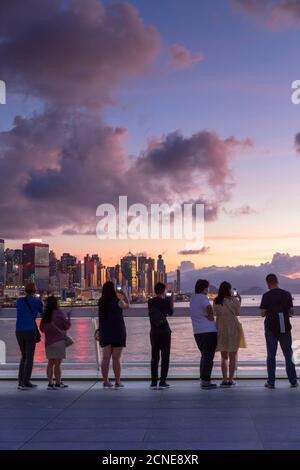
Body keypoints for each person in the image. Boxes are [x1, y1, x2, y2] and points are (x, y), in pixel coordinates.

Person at [260, 273, 298, 389]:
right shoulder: (286, 294)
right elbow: (291, 311)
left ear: (267, 283)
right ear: (277, 281)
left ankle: (271, 382)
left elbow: (262, 313)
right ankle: (293, 381)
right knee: (288, 354)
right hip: (284, 327)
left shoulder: (266, 295)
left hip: (271, 327)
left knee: (271, 355)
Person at [213, 282, 246, 387]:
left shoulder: (216, 301)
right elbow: (237, 313)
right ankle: (231, 380)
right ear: (229, 290)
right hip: (233, 329)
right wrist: (239, 300)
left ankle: (224, 379)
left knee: (224, 357)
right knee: (232, 355)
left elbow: (215, 313)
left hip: (221, 329)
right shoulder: (234, 300)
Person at [98, 281, 129, 388]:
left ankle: (105, 381)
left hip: (105, 332)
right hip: (117, 332)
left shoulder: (101, 302)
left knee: (105, 358)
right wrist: (124, 294)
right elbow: (127, 306)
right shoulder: (117, 301)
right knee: (116, 358)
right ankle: (117, 381)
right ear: (113, 290)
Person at [189, 279, 217, 389]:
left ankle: (203, 379)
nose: (208, 289)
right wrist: (211, 317)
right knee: (209, 357)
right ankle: (206, 381)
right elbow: (209, 308)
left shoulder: (193, 298)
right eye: (207, 287)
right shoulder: (203, 297)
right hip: (208, 331)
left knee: (204, 356)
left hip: (197, 332)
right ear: (204, 288)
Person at [16, 282, 43, 390]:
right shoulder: (37, 301)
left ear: (25, 291)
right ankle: (26, 381)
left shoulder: (19, 301)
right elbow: (43, 313)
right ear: (35, 291)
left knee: (23, 356)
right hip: (30, 330)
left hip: (18, 330)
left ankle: (20, 380)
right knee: (30, 357)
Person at [40, 295, 71, 390]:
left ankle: (50, 383)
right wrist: (69, 317)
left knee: (50, 362)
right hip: (59, 341)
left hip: (49, 342)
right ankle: (58, 383)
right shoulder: (59, 313)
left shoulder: (45, 315)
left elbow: (42, 328)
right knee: (57, 363)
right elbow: (66, 326)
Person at [148, 282, 174, 390]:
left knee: (154, 357)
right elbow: (171, 312)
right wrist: (171, 300)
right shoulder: (166, 301)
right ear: (164, 290)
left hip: (154, 331)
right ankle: (163, 381)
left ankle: (154, 382)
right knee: (165, 357)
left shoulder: (150, 302)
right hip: (165, 331)